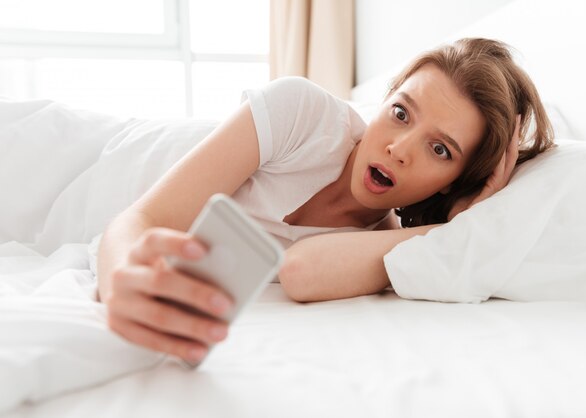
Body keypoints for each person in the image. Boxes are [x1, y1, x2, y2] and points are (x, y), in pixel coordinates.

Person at [96, 38, 554, 363]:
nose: (399, 148)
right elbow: (145, 216)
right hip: (107, 176)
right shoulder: (302, 113)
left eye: (440, 150)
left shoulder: (383, 244)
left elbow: (300, 271)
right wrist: (120, 280)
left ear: (454, 184)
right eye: (400, 113)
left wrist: (452, 231)